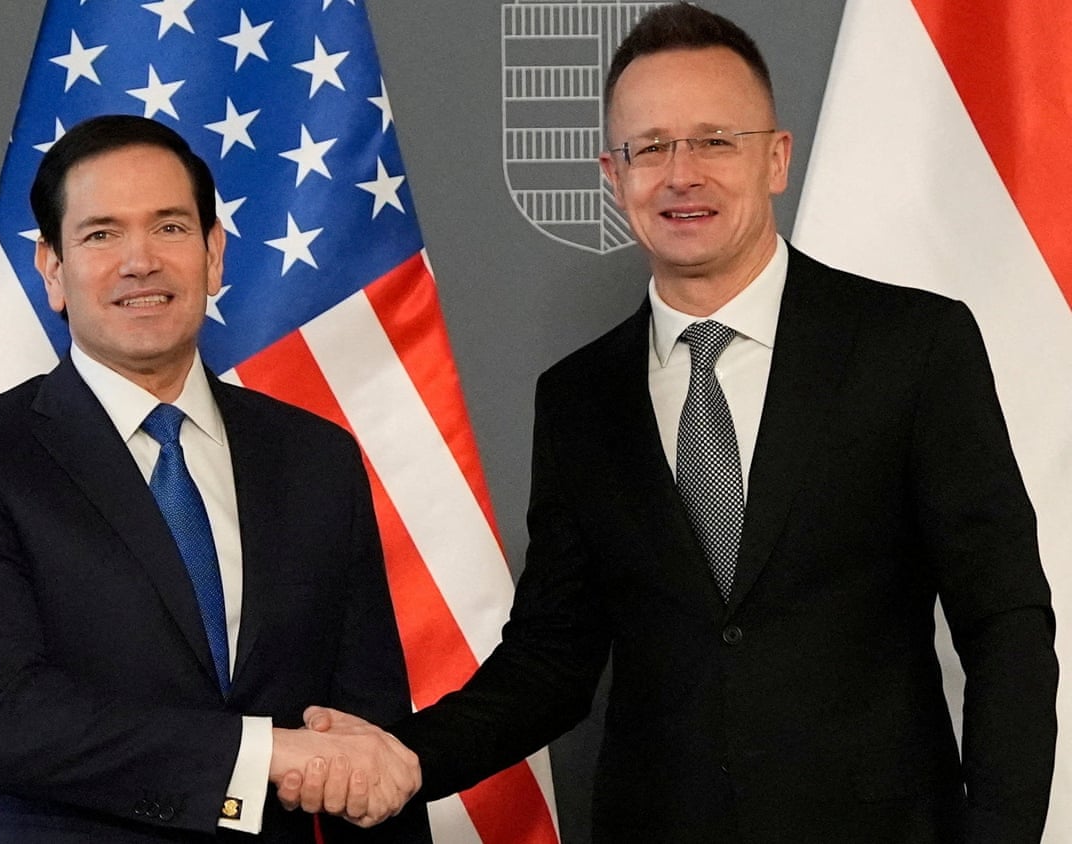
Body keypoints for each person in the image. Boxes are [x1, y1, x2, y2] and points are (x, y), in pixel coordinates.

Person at [285, 4, 1059, 841]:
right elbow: (553, 660)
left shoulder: (911, 346)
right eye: (649, 147)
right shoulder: (579, 398)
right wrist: (404, 755)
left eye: (715, 140)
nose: (681, 172)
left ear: (776, 159)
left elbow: (1005, 620)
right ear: (612, 177)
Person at [0, 114, 429, 843]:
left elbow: (364, 734)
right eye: (101, 234)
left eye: (170, 228)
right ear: (52, 270)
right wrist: (263, 754)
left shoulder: (315, 459)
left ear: (213, 255)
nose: (139, 261)